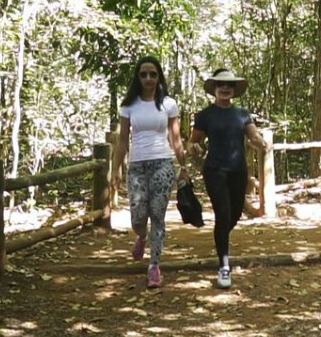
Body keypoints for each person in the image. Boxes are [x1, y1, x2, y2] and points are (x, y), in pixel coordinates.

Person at [188, 68, 270, 288]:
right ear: (214, 89)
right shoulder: (205, 115)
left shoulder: (242, 113)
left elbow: (253, 135)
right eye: (221, 85)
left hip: (238, 170)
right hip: (215, 170)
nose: (225, 88)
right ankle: (224, 266)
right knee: (222, 213)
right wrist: (195, 146)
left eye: (229, 86)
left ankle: (221, 238)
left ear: (234, 90)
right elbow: (193, 141)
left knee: (233, 215)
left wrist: (260, 142)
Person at [112, 56, 188, 288]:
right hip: (137, 165)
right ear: (138, 77)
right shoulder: (129, 106)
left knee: (157, 214)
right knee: (137, 215)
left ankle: (154, 265)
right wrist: (115, 170)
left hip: (162, 163)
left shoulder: (168, 104)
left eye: (152, 74)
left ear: (159, 77)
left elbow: (175, 138)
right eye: (143, 74)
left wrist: (183, 167)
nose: (148, 78)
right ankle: (141, 236)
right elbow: (122, 140)